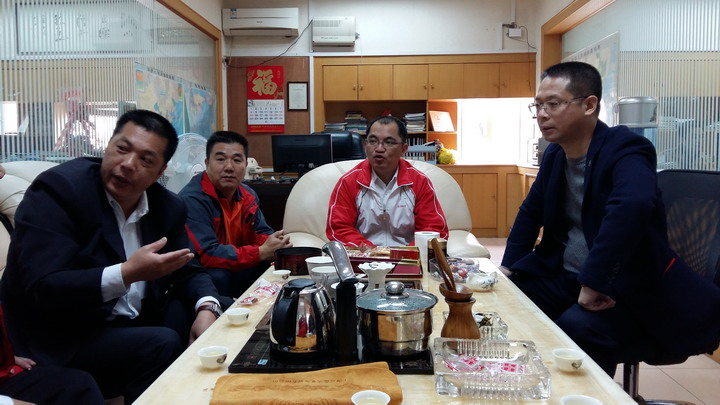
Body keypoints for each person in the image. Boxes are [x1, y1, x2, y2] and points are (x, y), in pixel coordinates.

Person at [500, 61, 720, 376]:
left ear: (589, 105)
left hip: (626, 289)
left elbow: (632, 204)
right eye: (537, 106)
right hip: (567, 276)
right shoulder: (555, 154)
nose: (542, 114)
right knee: (507, 304)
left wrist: (595, 280)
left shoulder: (627, 148)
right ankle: (531, 385)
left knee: (578, 328)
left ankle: (589, 396)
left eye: (553, 104)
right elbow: (530, 212)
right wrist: (508, 267)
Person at [0, 110, 223, 404]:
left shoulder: (167, 207)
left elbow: (187, 267)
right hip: (63, 332)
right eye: (122, 149)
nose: (128, 164)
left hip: (128, 320)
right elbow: (42, 286)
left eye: (145, 159)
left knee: (215, 311)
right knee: (162, 342)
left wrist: (208, 307)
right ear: (107, 147)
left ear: (161, 171)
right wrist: (127, 273)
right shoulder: (59, 191)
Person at [179, 131, 291, 299]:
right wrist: (260, 252)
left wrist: (275, 243)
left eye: (237, 160)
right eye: (220, 159)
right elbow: (208, 254)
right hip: (200, 275)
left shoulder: (248, 195)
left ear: (245, 164)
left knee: (274, 265)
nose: (229, 167)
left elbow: (259, 233)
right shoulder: (192, 200)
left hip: (235, 264)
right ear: (207, 163)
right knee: (219, 275)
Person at [326, 115, 449, 247]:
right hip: (364, 255)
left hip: (409, 254)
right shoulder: (349, 182)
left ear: (403, 149)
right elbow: (339, 229)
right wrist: (373, 253)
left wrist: (406, 254)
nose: (379, 148)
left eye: (389, 142)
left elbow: (434, 230)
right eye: (372, 141)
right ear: (365, 145)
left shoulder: (419, 182)